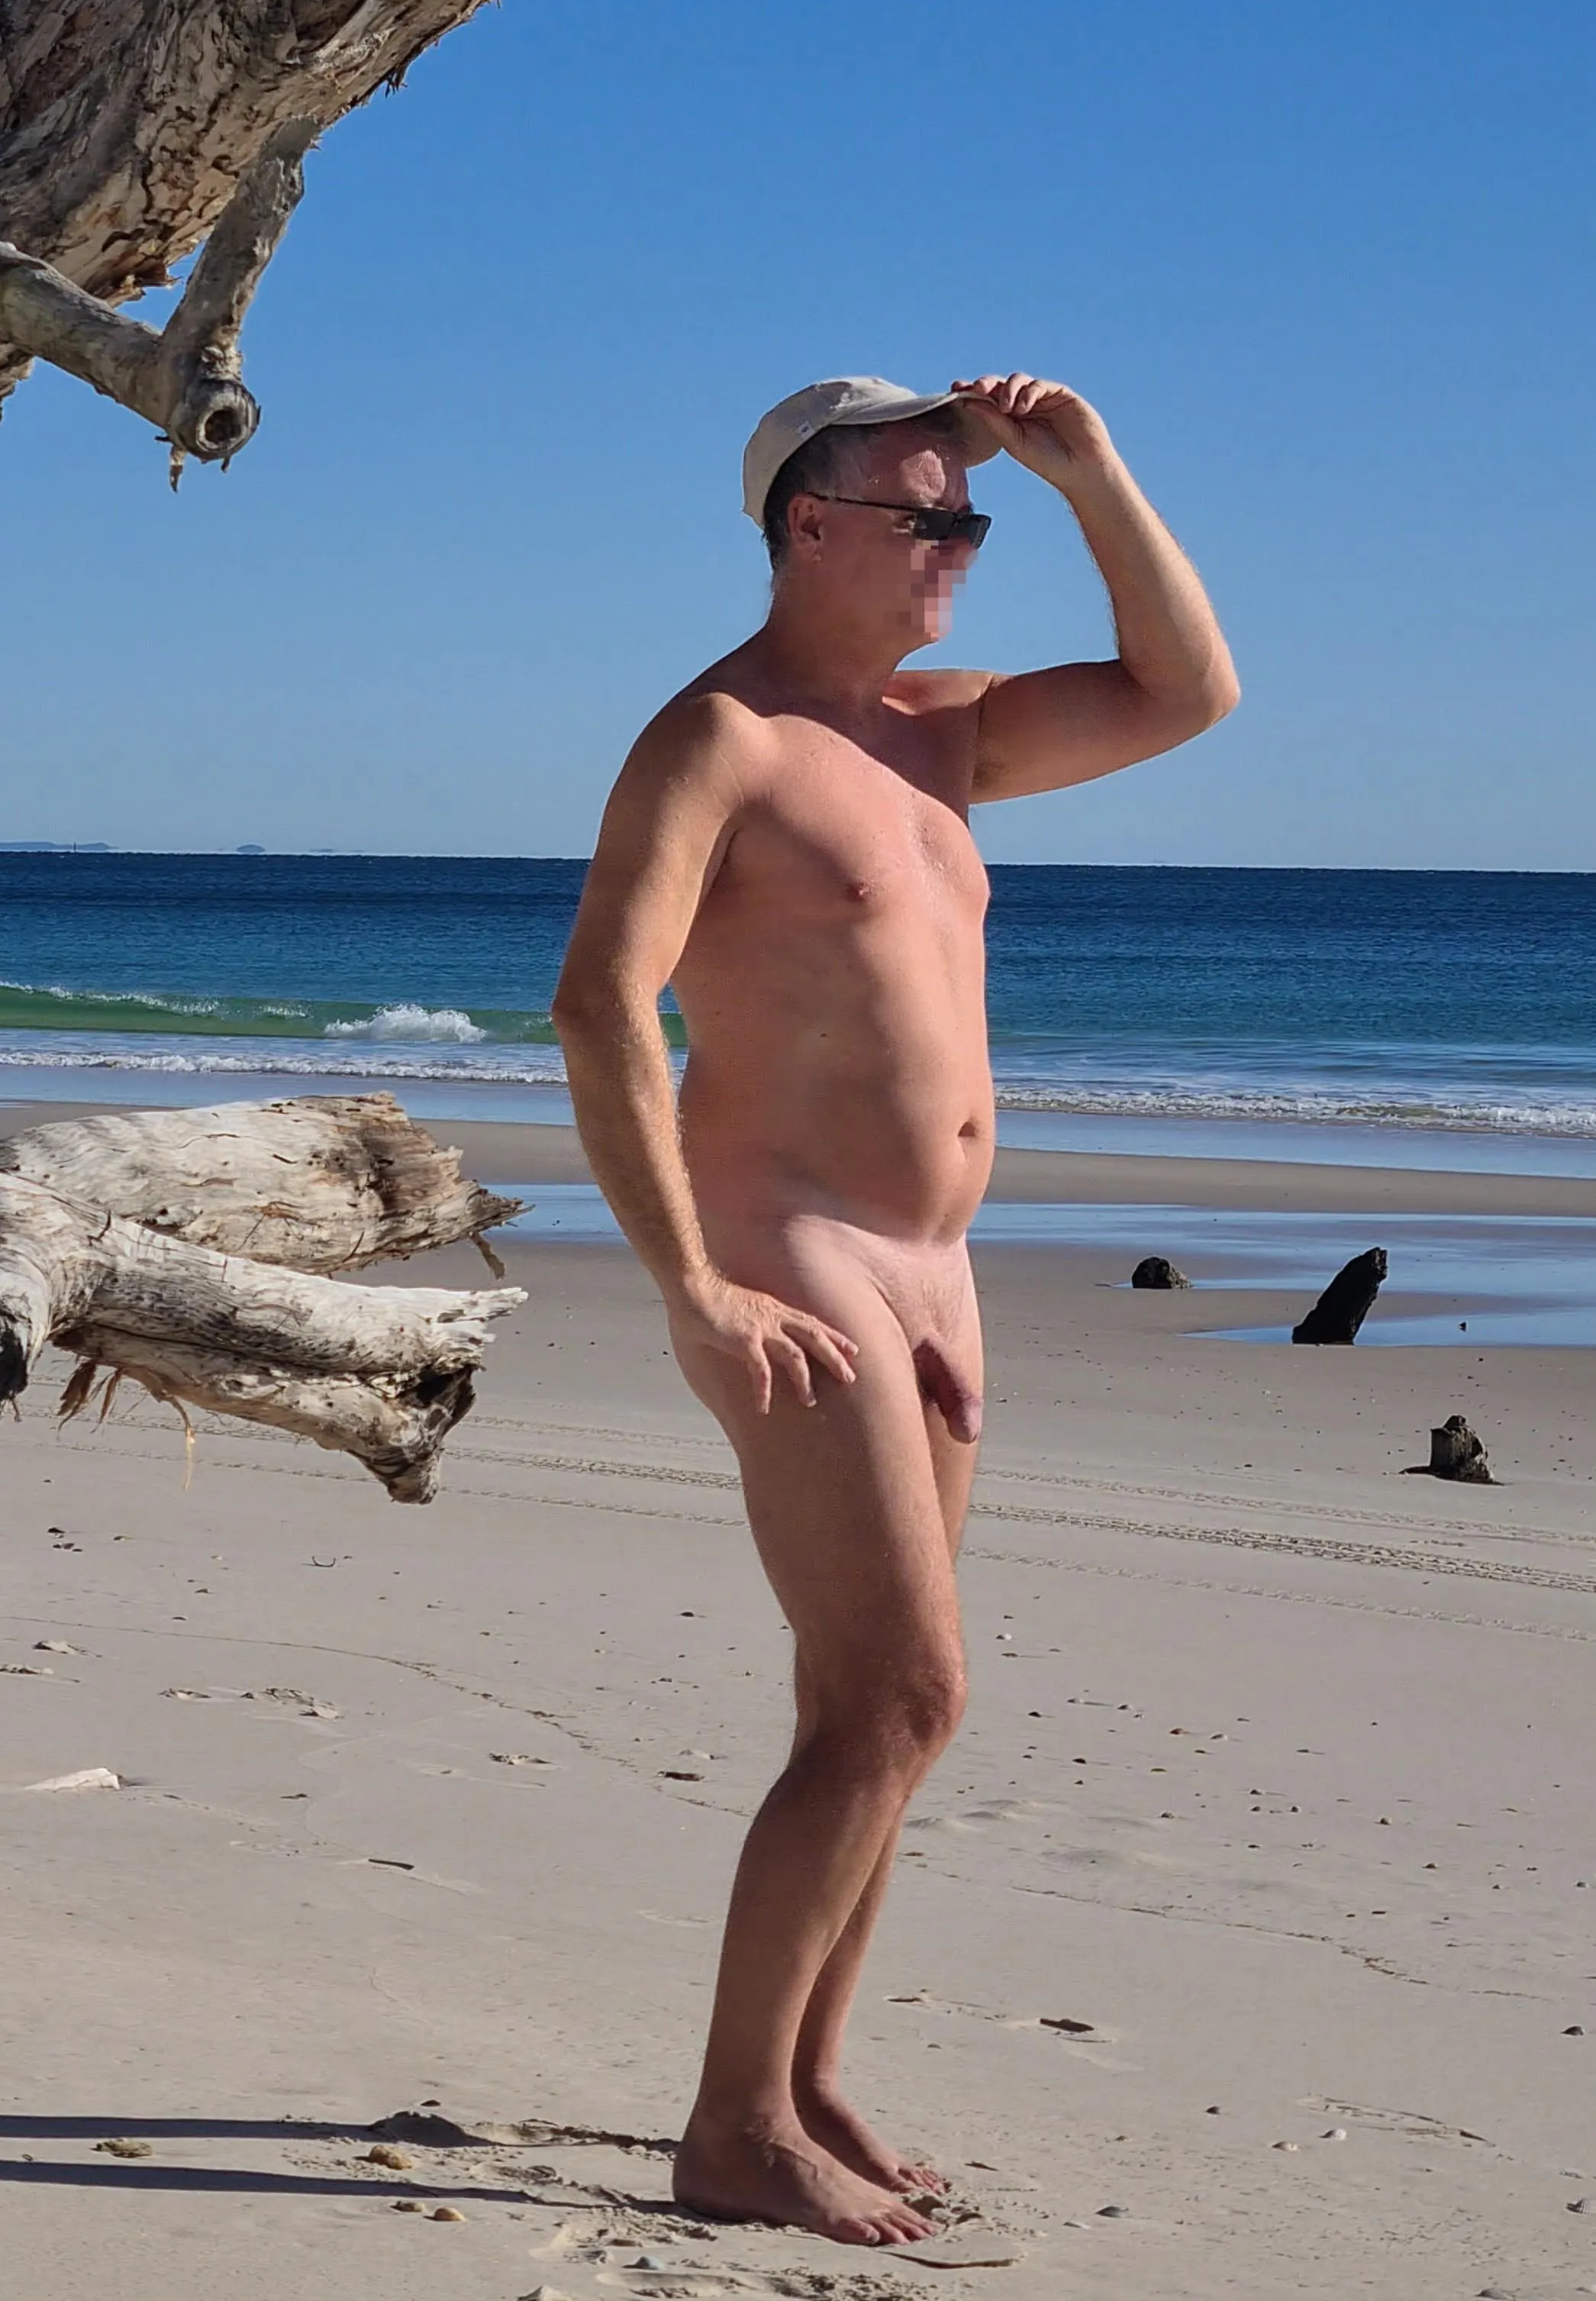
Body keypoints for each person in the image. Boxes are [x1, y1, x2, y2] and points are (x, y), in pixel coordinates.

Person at [550, 371, 1239, 2245]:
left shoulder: (934, 738)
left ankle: (803, 2077)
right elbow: (599, 1005)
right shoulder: (717, 740)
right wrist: (686, 1282)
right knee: (899, 1691)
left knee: (874, 1708)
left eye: (971, 519)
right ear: (805, 523)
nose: (960, 547)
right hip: (796, 1252)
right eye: (927, 513)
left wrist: (1092, 468)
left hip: (933, 1266)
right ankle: (726, 2121)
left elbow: (1187, 693)